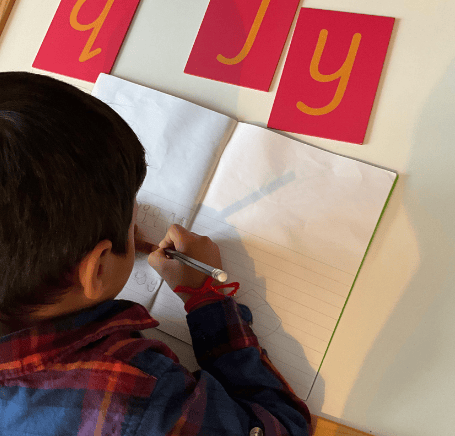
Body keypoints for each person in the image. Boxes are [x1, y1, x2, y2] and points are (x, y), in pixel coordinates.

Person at [0, 71, 311, 436]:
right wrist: (206, 298)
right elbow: (284, 428)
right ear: (97, 270)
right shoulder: (138, 398)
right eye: (133, 216)